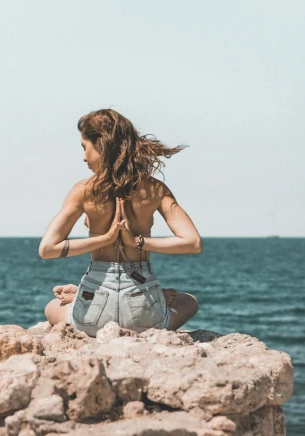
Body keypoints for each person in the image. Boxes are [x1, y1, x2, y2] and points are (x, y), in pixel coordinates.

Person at [39, 108, 202, 336]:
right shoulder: (154, 189)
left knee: (52, 307)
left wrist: (102, 240)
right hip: (143, 308)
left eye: (85, 147)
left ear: (101, 145)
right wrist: (138, 242)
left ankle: (82, 295)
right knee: (189, 301)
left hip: (92, 314)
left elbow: (47, 249)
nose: (84, 157)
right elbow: (193, 243)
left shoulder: (83, 191)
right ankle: (154, 297)